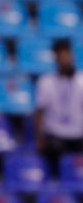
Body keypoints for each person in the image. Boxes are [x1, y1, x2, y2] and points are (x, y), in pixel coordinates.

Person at [35, 39, 83, 176]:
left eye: (67, 55)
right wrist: (40, 137)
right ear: (56, 58)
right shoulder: (46, 81)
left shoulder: (81, 80)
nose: (65, 59)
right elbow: (39, 111)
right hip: (55, 135)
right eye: (62, 55)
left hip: (79, 134)